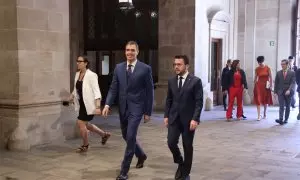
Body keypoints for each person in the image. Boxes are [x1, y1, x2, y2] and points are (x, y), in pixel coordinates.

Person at [102, 41, 154, 180]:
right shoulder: (119, 68)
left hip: (137, 108)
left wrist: (148, 112)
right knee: (126, 136)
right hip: (122, 108)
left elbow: (150, 92)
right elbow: (113, 88)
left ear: (137, 52)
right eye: (127, 50)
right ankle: (141, 155)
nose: (129, 53)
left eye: (132, 50)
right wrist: (107, 104)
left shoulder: (145, 69)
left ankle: (124, 171)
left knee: (130, 136)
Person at [164, 55, 203, 180]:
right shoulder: (171, 81)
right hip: (174, 118)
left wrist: (195, 118)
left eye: (179, 64)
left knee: (187, 146)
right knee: (171, 142)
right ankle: (180, 161)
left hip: (188, 120)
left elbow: (199, 102)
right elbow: (169, 99)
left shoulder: (195, 81)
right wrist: (166, 115)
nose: (176, 66)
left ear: (187, 66)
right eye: (175, 64)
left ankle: (185, 173)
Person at [69, 56, 111, 153]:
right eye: (77, 61)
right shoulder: (77, 74)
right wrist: (71, 96)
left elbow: (97, 91)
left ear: (86, 63)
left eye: (80, 61)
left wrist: (97, 106)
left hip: (89, 105)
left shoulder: (92, 75)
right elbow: (76, 89)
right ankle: (104, 135)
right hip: (81, 104)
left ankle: (85, 145)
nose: (78, 63)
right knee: (86, 124)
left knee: (80, 123)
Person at [274, 59, 296, 125]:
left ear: (287, 64)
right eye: (281, 64)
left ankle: (286, 119)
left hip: (288, 92)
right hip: (280, 92)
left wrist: (289, 90)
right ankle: (280, 119)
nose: (282, 65)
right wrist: (275, 92)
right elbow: (276, 83)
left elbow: (293, 82)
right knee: (281, 106)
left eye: (283, 64)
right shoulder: (278, 73)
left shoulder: (292, 73)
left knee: (288, 106)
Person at [253, 56, 273, 121]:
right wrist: (254, 86)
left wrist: (271, 86)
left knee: (265, 100)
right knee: (258, 100)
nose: (260, 64)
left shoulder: (268, 68)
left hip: (266, 86)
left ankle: (264, 113)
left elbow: (271, 77)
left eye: (261, 62)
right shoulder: (257, 69)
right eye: (259, 62)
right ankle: (258, 115)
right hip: (259, 86)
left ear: (263, 61)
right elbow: (255, 78)